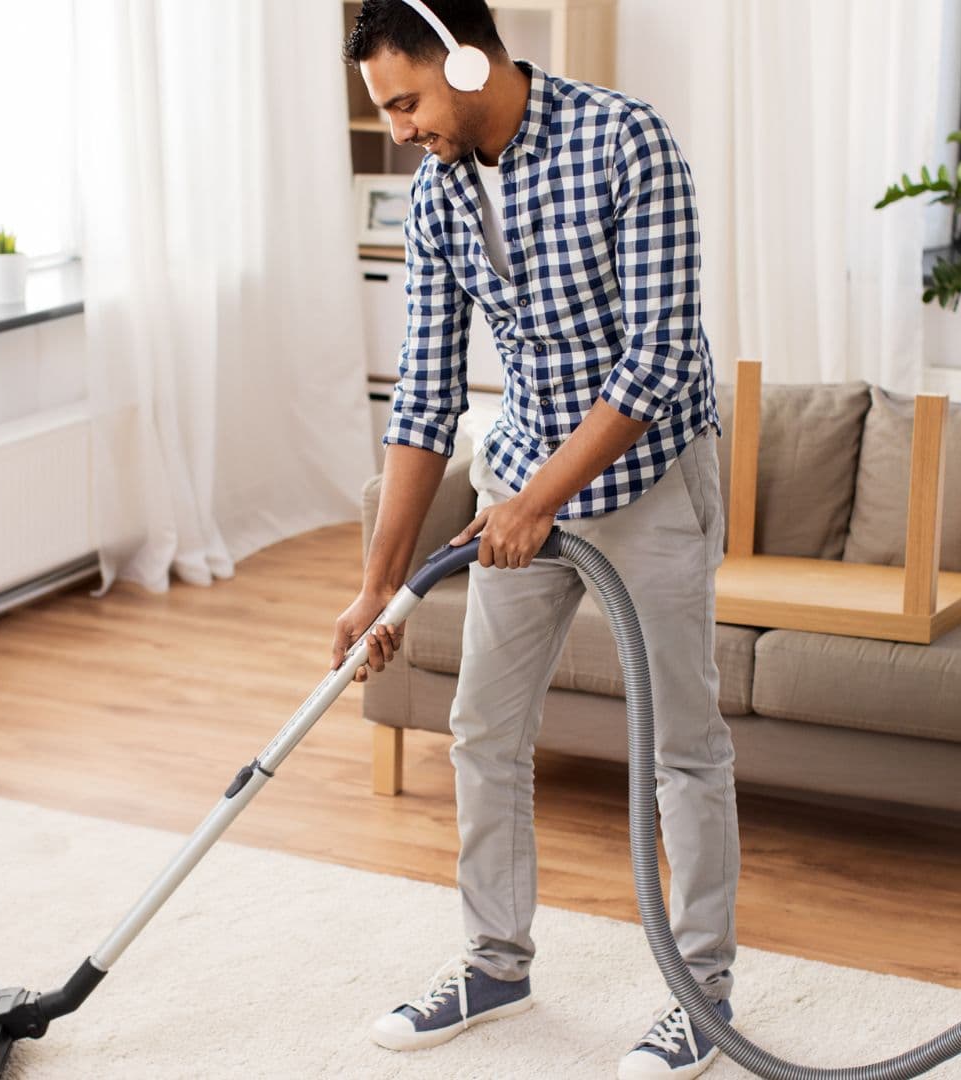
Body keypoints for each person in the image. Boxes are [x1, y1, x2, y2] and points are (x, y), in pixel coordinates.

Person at [334, 2, 739, 1077]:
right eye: (386, 112)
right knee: (483, 729)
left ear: (467, 59)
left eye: (407, 101)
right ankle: (495, 963)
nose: (400, 130)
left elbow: (656, 364)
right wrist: (380, 585)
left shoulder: (626, 143)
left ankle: (703, 997)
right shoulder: (438, 197)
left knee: (683, 746)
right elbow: (423, 400)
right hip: (521, 476)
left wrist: (537, 504)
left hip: (649, 477)